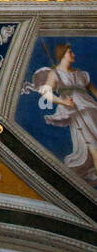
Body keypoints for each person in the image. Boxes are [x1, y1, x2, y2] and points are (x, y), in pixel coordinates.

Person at [30, 44, 97, 184]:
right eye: (70, 52)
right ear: (62, 55)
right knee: (93, 144)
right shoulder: (55, 73)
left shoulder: (81, 74)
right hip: (77, 111)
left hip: (92, 108)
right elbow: (45, 93)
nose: (73, 55)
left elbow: (95, 92)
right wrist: (63, 102)